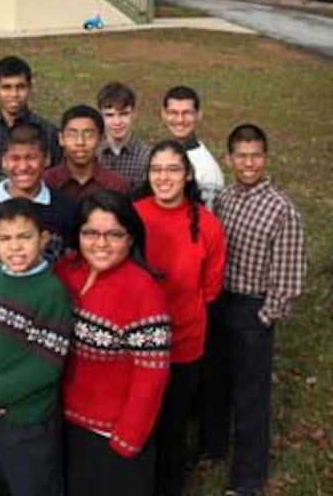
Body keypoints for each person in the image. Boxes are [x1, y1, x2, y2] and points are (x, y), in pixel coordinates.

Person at [202, 124, 307, 496]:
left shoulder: (282, 210)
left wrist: (263, 317)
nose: (249, 163)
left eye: (256, 155)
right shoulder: (227, 198)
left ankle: (247, 477)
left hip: (252, 308)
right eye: (242, 155)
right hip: (221, 301)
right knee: (216, 382)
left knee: (250, 396)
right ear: (229, 159)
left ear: (265, 158)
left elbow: (290, 277)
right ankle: (213, 447)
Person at [55, 190, 171, 496]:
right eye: (90, 233)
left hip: (111, 433)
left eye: (114, 234)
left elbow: (152, 374)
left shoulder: (143, 291)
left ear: (130, 238)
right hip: (63, 422)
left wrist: (127, 439)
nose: (101, 244)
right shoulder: (65, 271)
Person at [133, 140, 226, 496]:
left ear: (187, 175)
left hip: (183, 343)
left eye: (173, 169)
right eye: (156, 170)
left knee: (173, 425)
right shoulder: (135, 213)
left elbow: (211, 287)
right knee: (142, 422)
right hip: (138, 343)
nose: (163, 177)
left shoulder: (207, 225)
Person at [0, 198, 73, 496]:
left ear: (43, 238)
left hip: (28, 421)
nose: (15, 247)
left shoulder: (52, 292)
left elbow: (45, 367)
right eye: (5, 239)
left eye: (24, 237)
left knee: (32, 487)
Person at [0, 122, 78, 280]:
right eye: (15, 158)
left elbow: (70, 264)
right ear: (3, 161)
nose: (23, 166)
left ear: (47, 159)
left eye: (31, 157)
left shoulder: (65, 208)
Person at [44, 104, 130, 202]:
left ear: (101, 139)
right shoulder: (46, 182)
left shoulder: (117, 185)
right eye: (72, 135)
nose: (80, 142)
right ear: (61, 139)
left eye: (89, 135)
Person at [161, 85, 224, 210]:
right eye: (173, 113)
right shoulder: (161, 154)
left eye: (187, 113)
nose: (180, 120)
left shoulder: (208, 171)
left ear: (198, 115)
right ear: (163, 114)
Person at [0, 55, 61, 165]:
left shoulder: (48, 132)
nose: (14, 94)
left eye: (21, 87)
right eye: (7, 87)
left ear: (29, 88)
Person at [96, 81, 152, 184]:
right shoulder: (93, 154)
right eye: (110, 115)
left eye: (123, 114)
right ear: (100, 116)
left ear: (134, 114)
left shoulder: (147, 157)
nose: (117, 122)